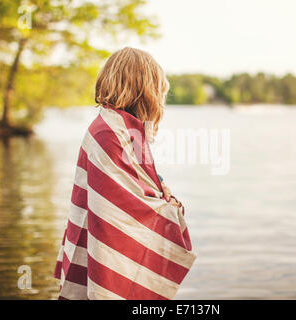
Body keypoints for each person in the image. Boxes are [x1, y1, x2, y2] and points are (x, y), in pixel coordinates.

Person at [54, 47, 196, 300]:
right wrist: (169, 208)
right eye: (157, 90)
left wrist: (162, 195)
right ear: (143, 89)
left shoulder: (125, 128)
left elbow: (140, 184)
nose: (160, 98)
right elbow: (121, 205)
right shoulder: (109, 131)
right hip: (104, 246)